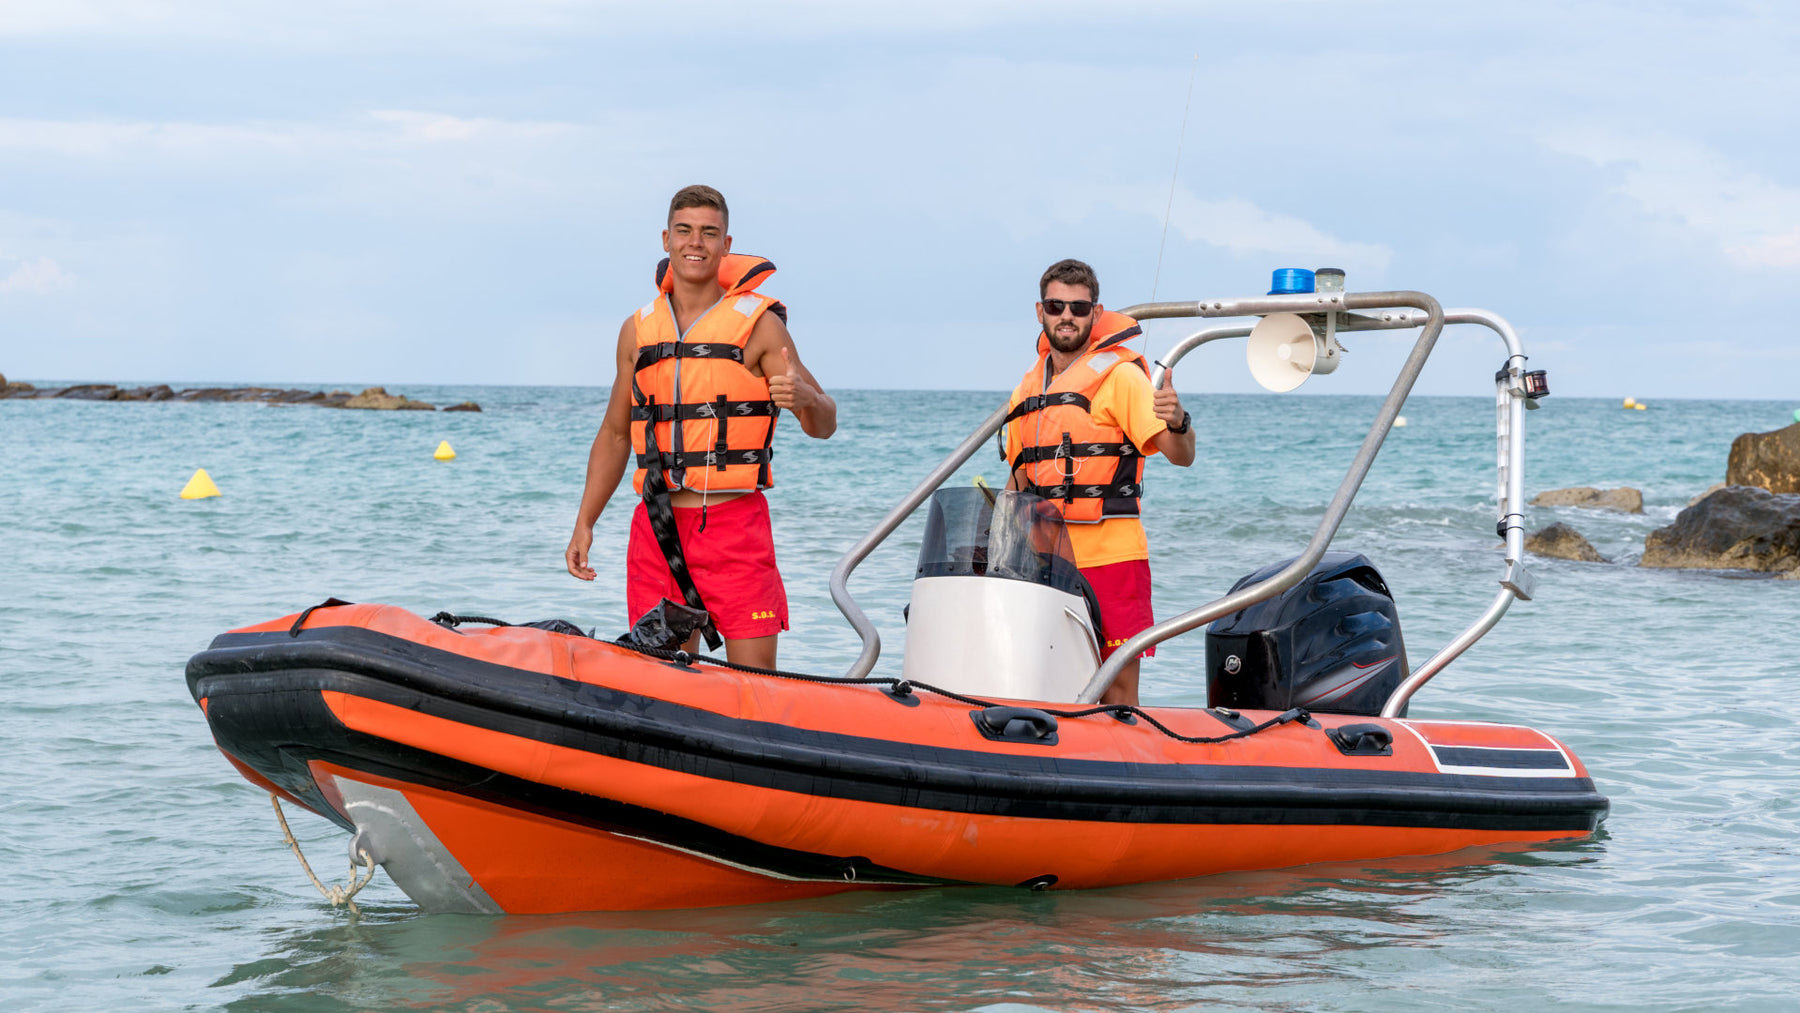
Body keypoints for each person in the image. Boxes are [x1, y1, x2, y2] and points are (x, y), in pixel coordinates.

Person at [565, 185, 836, 668]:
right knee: (664, 683)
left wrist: (808, 400)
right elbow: (614, 434)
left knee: (755, 687)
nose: (697, 242)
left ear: (726, 244)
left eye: (709, 233)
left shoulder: (759, 326)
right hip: (656, 527)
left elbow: (824, 425)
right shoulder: (638, 330)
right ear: (666, 239)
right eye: (685, 231)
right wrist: (585, 522)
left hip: (734, 528)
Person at [1000, 258, 1194, 706]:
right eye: (1056, 305)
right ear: (1040, 311)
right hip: (1044, 559)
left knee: (1118, 686)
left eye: (1079, 308)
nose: (1067, 315)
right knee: (1044, 678)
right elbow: (1015, 483)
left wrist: (1180, 422)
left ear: (1095, 311)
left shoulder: (1121, 377)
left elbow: (1181, 456)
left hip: (1112, 557)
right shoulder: (1026, 390)